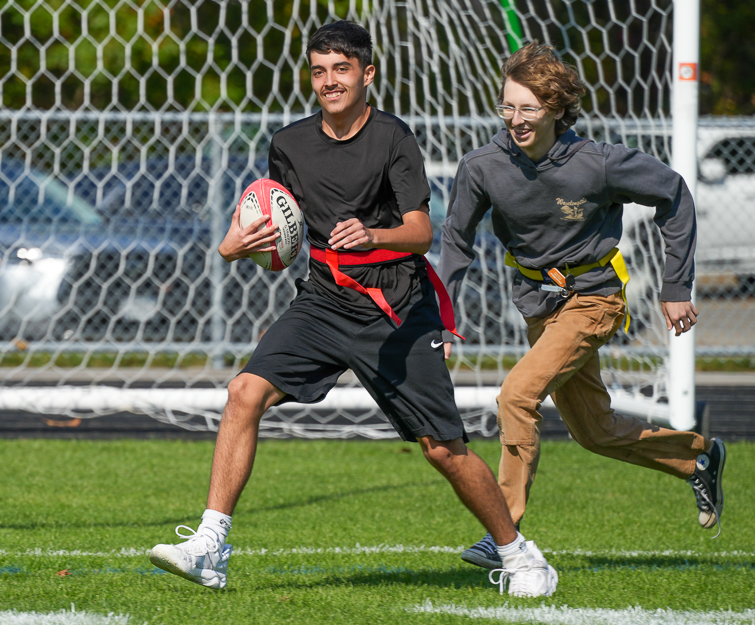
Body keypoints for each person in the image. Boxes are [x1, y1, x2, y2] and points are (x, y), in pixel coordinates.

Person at [148, 21, 557, 597]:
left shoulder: (395, 138)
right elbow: (279, 239)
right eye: (319, 70)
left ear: (367, 74)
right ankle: (211, 544)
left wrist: (372, 235)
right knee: (244, 393)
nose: (329, 81)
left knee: (443, 448)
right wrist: (235, 245)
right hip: (322, 303)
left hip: (397, 310)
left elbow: (419, 232)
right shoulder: (288, 144)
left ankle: (521, 555)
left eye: (342, 69)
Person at [437, 42, 727, 570]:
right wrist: (446, 314)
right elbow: (456, 240)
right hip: (537, 305)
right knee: (595, 432)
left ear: (556, 108)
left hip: (594, 299)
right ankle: (697, 458)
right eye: (508, 107)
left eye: (529, 108)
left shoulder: (598, 164)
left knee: (515, 396)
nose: (517, 120)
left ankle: (505, 531)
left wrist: (675, 285)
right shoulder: (481, 167)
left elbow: (675, 194)